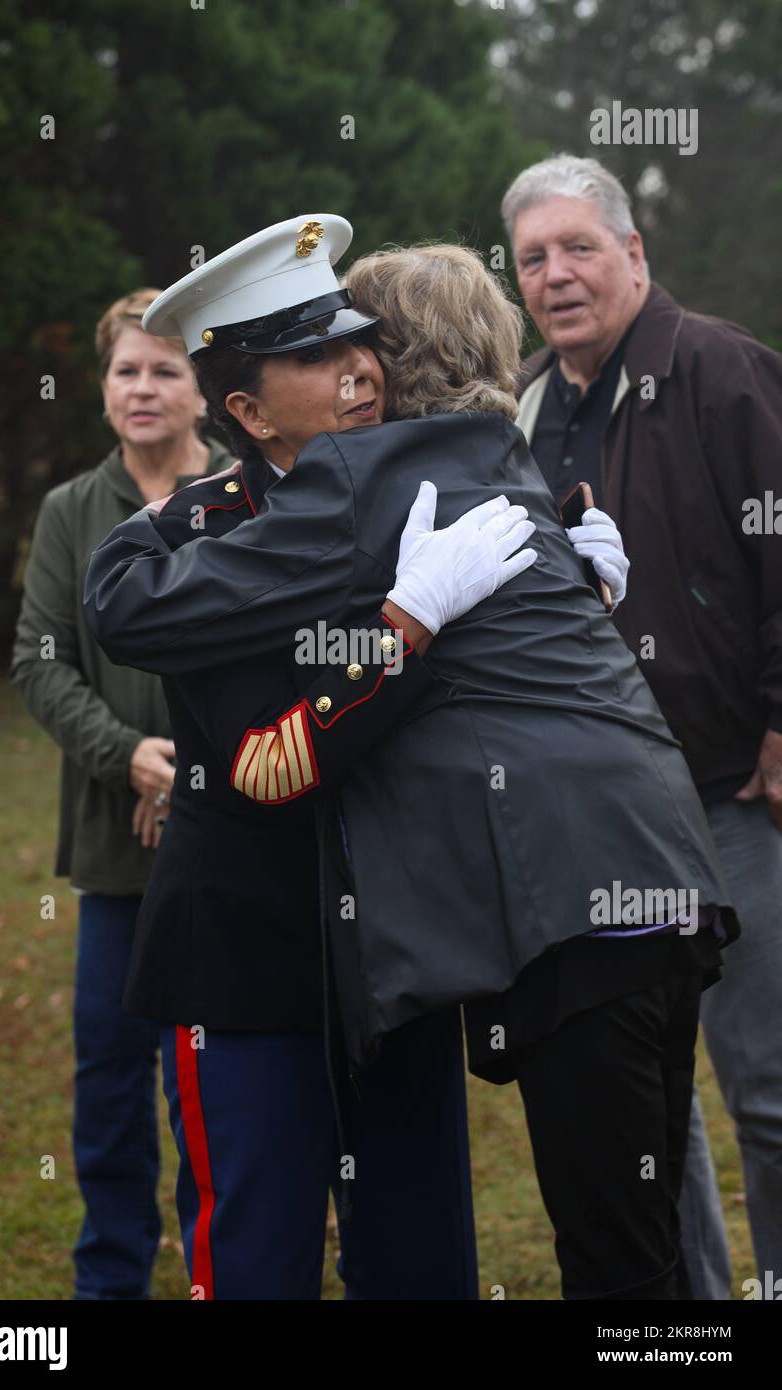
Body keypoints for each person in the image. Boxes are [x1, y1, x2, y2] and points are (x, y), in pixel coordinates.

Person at [85, 217, 737, 1300]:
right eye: (313, 357)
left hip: (404, 949)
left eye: (355, 343)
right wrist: (403, 628)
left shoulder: (412, 475)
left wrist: (565, 569)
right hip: (261, 947)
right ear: (243, 410)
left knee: (430, 1258)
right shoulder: (211, 528)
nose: (352, 373)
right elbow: (260, 761)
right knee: (263, 1256)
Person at [502, 153, 782, 1299]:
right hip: (599, 825)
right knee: (644, 1120)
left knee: (767, 1094)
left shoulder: (719, 371)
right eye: (532, 258)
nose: (556, 274)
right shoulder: (517, 408)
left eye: (578, 246)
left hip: (729, 794)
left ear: (632, 254)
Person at [10, 288, 233, 1300]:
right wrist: (125, 756)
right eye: (126, 370)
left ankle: (219, 1263)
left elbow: (261, 648)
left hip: (228, 840)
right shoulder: (71, 510)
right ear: (104, 388)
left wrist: (189, 765)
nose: (143, 388)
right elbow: (40, 659)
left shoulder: (245, 494)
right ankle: (110, 1278)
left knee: (215, 1079)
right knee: (109, 1075)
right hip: (111, 849)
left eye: (164, 370)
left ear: (201, 390)